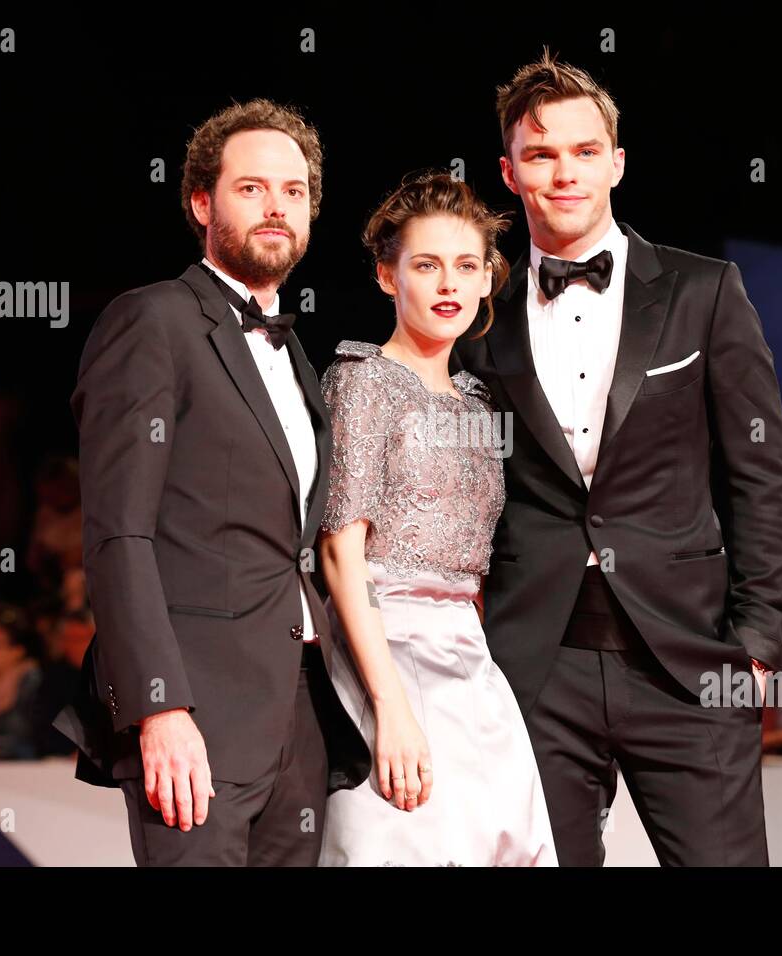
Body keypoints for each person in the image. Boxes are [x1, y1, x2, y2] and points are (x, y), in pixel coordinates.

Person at [452, 50, 782, 865]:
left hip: (690, 657)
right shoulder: (475, 314)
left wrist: (758, 639)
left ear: (617, 161)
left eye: (582, 150)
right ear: (509, 171)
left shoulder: (704, 291)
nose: (563, 171)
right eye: (540, 154)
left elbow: (761, 474)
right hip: (534, 666)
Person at [53, 100, 369, 866]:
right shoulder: (152, 321)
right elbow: (118, 535)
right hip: (196, 709)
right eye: (251, 188)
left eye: (293, 192)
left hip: (298, 711)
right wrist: (159, 706)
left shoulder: (298, 358)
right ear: (202, 202)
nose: (276, 207)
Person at [317, 172, 556, 866]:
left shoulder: (480, 405)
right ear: (389, 278)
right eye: (425, 265)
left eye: (465, 265)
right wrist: (388, 706)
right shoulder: (361, 381)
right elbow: (340, 556)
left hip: (474, 670)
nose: (447, 283)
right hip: (381, 657)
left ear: (487, 280)